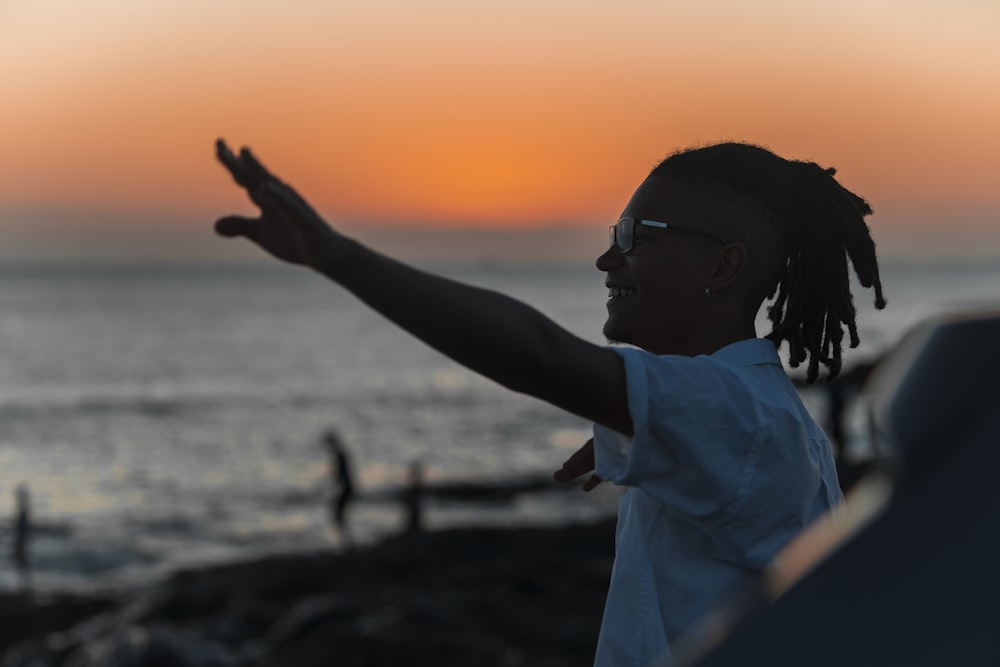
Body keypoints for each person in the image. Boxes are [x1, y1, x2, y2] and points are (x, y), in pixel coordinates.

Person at [214, 139, 886, 666]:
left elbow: (535, 356)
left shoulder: (736, 415)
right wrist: (644, 431)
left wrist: (337, 256)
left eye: (634, 237)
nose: (605, 259)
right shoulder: (736, 413)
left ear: (722, 267)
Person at [323, 429, 355, 548]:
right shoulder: (340, 453)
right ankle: (347, 542)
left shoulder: (339, 455)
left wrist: (333, 487)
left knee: (338, 515)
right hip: (346, 488)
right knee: (339, 516)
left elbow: (340, 475)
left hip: (346, 488)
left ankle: (347, 543)